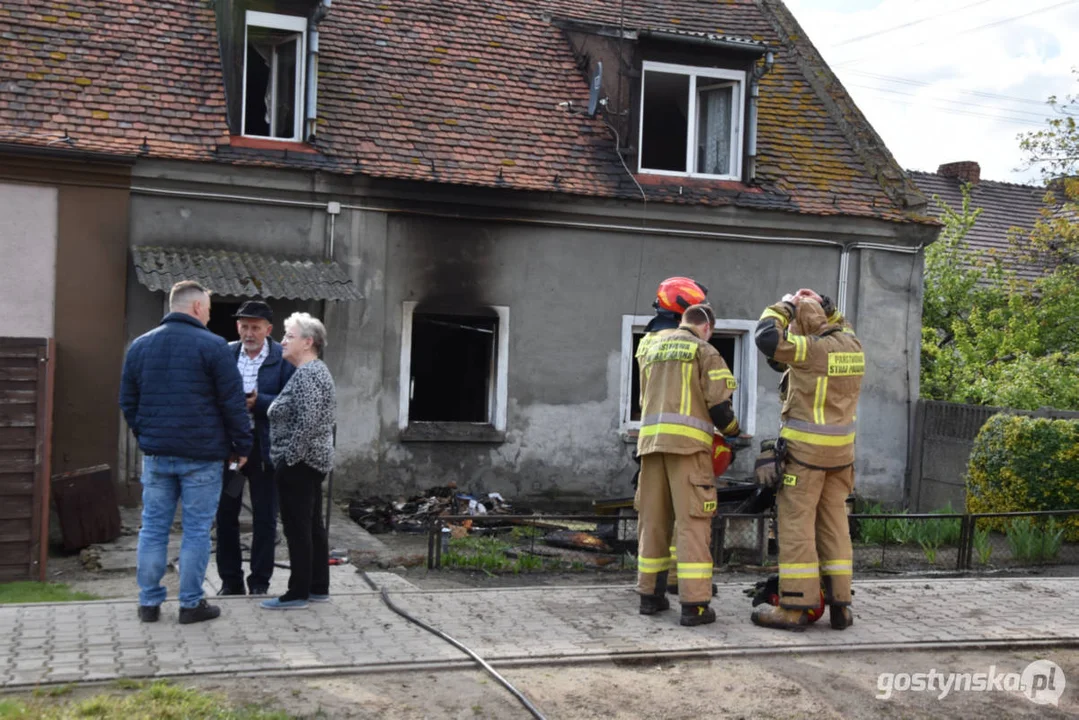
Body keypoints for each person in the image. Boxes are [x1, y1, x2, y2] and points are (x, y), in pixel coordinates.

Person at [120, 280, 252, 624]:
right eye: (208, 308)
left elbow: (128, 402)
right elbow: (232, 402)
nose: (209, 315)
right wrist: (242, 445)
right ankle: (190, 604)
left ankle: (148, 603)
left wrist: (146, 435)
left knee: (152, 528)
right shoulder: (215, 347)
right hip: (203, 457)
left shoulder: (139, 346)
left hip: (157, 455)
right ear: (196, 308)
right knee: (195, 531)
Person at [752, 288, 864, 631]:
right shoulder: (853, 345)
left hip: (806, 457)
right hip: (841, 457)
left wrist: (784, 306)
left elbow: (766, 337)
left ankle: (795, 608)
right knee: (834, 527)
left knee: (796, 527)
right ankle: (840, 606)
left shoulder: (811, 349)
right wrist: (820, 305)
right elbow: (834, 324)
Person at [635, 303, 741, 626]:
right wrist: (733, 433)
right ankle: (694, 606)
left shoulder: (649, 347)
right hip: (689, 451)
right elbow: (720, 408)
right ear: (707, 328)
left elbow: (643, 399)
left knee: (653, 522)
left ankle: (650, 598)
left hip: (651, 448)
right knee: (693, 524)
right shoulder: (704, 351)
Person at [216, 301, 295, 596]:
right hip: (231, 449)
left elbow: (291, 403)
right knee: (226, 514)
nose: (249, 333)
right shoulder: (225, 353)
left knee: (264, 517)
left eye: (255, 327)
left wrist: (259, 403)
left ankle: (259, 582)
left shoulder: (282, 357)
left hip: (265, 448)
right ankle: (230, 582)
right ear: (238, 327)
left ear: (268, 330)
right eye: (244, 326)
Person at [261, 312, 336, 610]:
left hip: (300, 464)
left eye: (289, 336)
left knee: (297, 528)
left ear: (308, 342)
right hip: (309, 462)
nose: (282, 341)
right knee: (312, 526)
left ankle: (297, 593)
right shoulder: (313, 372)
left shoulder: (308, 374)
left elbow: (308, 422)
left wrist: (288, 460)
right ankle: (317, 586)